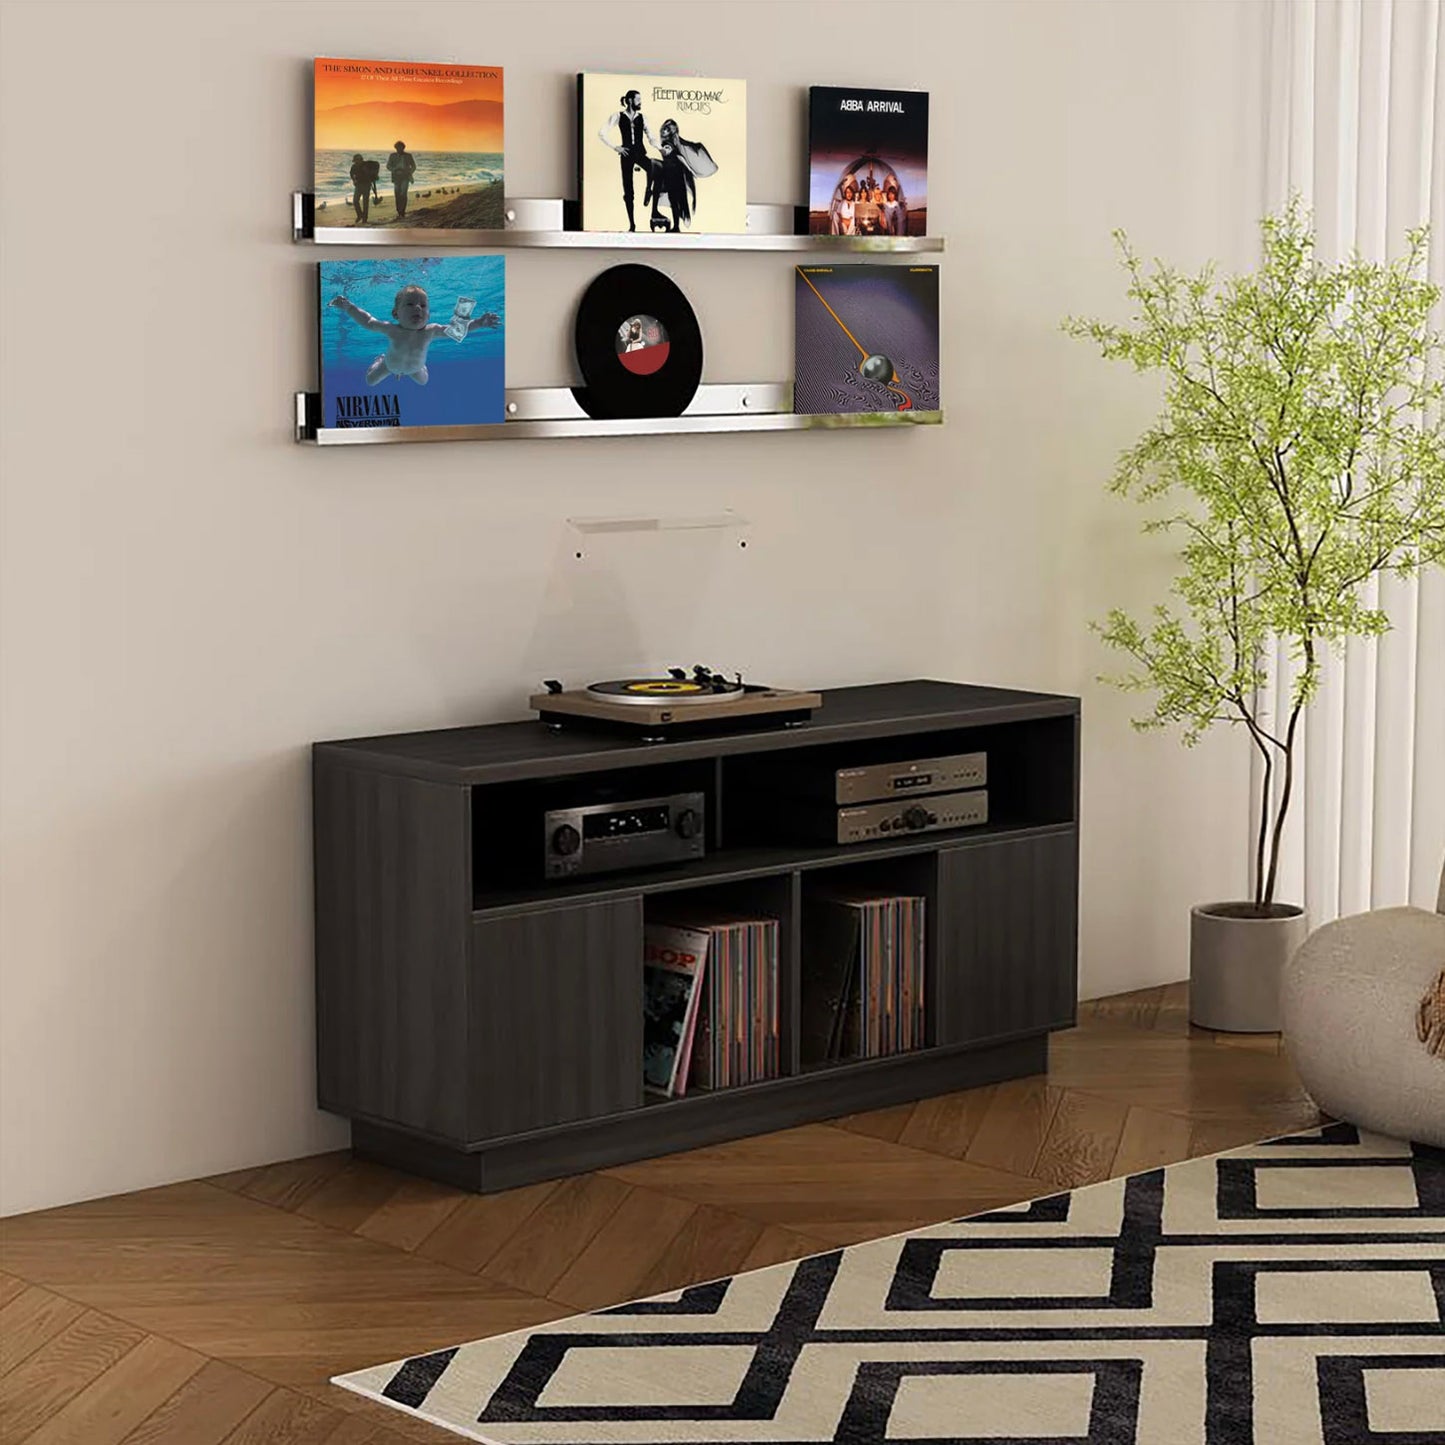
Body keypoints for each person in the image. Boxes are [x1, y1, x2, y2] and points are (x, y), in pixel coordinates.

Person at [329, 285, 498, 386]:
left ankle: (421, 366)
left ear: (429, 316)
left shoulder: (431, 331)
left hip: (415, 368)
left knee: (424, 382)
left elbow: (456, 330)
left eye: (423, 306)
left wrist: (479, 323)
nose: (417, 308)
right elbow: (367, 321)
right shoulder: (392, 329)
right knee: (370, 381)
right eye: (410, 304)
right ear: (396, 314)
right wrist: (348, 307)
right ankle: (379, 360)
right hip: (389, 366)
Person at [598, 90, 658, 231]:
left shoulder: (643, 118)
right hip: (626, 155)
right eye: (638, 100)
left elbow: (651, 137)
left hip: (640, 153)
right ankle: (632, 225)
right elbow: (602, 133)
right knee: (628, 190)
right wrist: (615, 147)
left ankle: (648, 189)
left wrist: (661, 148)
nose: (640, 102)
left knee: (654, 168)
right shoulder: (618, 116)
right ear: (630, 101)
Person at [647, 118, 717, 232]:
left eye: (667, 129)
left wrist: (657, 147)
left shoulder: (667, 143)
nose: (664, 130)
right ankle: (676, 226)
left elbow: (673, 155)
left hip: (674, 173)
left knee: (676, 200)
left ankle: (676, 226)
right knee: (675, 200)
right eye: (664, 128)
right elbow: (677, 156)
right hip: (671, 172)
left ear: (671, 132)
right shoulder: (669, 142)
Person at [386, 141, 416, 219]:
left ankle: (402, 211)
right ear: (395, 148)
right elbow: (388, 166)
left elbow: (413, 166)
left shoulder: (408, 156)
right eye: (397, 148)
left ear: (403, 147)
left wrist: (410, 172)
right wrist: (394, 169)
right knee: (397, 194)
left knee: (403, 193)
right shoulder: (392, 155)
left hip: (405, 176)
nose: (398, 149)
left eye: (400, 147)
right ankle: (399, 211)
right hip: (396, 177)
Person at [348, 153, 374, 225]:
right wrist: (354, 180)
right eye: (355, 161)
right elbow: (351, 174)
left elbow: (370, 174)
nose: (356, 162)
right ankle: (360, 215)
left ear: (361, 159)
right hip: (358, 185)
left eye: (357, 160)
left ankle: (365, 219)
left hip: (366, 185)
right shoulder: (354, 166)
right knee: (355, 201)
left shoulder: (366, 165)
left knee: (365, 202)